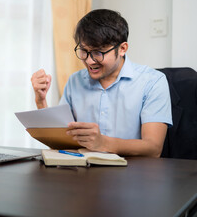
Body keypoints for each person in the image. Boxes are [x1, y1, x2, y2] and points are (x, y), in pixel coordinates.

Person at [31, 9, 172, 157]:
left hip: (132, 173)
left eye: (98, 52)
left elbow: (153, 148)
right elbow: (61, 140)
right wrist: (41, 102)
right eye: (84, 51)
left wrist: (103, 143)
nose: (89, 61)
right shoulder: (75, 81)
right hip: (83, 174)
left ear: (122, 48)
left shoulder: (153, 82)